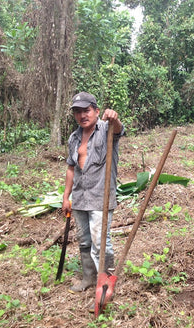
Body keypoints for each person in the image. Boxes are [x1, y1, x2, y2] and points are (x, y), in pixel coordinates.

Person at [62, 92, 124, 294]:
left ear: (96, 111)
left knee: (100, 243)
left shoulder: (107, 130)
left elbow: (119, 130)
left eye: (86, 110)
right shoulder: (74, 138)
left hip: (100, 197)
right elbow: (71, 168)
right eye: (77, 112)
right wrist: (66, 197)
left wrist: (115, 118)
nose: (82, 115)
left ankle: (105, 284)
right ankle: (89, 277)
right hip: (80, 198)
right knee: (84, 241)